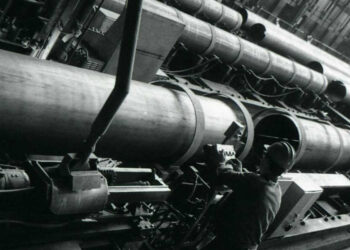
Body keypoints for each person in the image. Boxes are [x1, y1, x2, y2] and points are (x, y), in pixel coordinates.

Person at [203, 142, 295, 250]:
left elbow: (224, 175)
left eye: (264, 155)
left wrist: (221, 161)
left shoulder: (255, 182)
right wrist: (240, 173)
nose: (261, 159)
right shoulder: (276, 188)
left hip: (231, 244)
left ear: (267, 161)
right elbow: (250, 191)